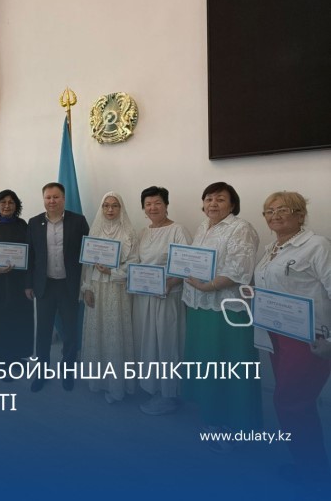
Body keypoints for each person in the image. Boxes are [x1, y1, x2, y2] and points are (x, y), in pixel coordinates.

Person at [254, 191, 331, 485]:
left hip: (310, 339)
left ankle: (314, 477)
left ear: (300, 214)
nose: (274, 215)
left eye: (282, 209)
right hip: (278, 336)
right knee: (295, 403)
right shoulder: (272, 248)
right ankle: (307, 466)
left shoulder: (317, 246)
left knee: (292, 403)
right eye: (269, 211)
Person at [182, 182, 261, 443]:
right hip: (200, 306)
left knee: (229, 366)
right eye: (208, 199)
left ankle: (233, 425)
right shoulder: (203, 226)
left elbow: (240, 268)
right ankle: (212, 414)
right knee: (208, 363)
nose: (213, 204)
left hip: (226, 309)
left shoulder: (241, 228)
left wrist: (209, 286)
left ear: (232, 204)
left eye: (220, 199)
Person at [132, 186, 192, 415]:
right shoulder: (142, 232)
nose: (153, 208)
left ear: (166, 205)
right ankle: (153, 387)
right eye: (148, 204)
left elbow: (187, 264)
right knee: (148, 343)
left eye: (157, 203)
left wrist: (170, 282)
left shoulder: (178, 230)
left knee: (167, 343)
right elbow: (136, 263)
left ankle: (170, 394)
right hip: (144, 297)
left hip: (168, 296)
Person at [25, 182, 89, 392]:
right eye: (48, 197)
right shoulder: (34, 222)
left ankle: (68, 370)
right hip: (45, 285)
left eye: (56, 197)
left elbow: (87, 252)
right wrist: (28, 284)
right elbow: (30, 256)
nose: (51, 201)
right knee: (43, 332)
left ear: (63, 199)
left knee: (70, 331)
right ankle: (41, 372)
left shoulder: (78, 221)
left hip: (69, 285)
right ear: (43, 199)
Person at [81, 192, 137, 403]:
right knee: (97, 330)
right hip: (96, 287)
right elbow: (87, 265)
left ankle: (116, 385)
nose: (110, 209)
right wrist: (87, 288)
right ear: (101, 208)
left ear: (121, 208)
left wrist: (112, 272)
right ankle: (98, 380)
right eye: (106, 205)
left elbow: (133, 263)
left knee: (115, 332)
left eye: (115, 205)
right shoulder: (95, 231)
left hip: (117, 289)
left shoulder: (129, 233)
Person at [0, 190, 33, 373]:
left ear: (16, 206)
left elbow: (31, 253)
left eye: (11, 202)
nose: (7, 205)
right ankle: (3, 361)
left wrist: (29, 283)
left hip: (19, 284)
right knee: (0, 320)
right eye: (3, 202)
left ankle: (17, 356)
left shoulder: (23, 225)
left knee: (19, 320)